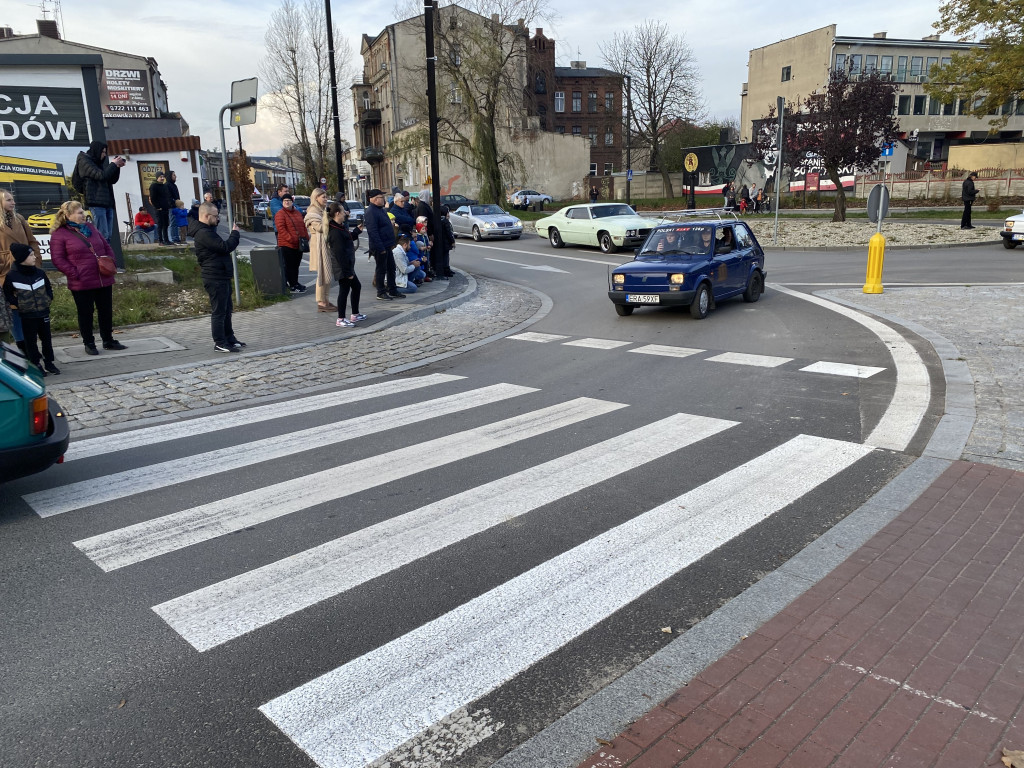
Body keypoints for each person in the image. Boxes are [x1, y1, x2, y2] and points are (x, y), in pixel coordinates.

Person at [49, 201, 127, 355]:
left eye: (82, 212)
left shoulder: (91, 228)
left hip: (103, 277)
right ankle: (89, 343)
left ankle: (108, 340)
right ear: (67, 215)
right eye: (79, 213)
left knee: (106, 310)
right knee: (85, 313)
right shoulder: (60, 234)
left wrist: (112, 261)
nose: (83, 215)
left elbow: (106, 246)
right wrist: (74, 273)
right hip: (81, 281)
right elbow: (58, 259)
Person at [189, 202, 244, 353]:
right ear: (206, 216)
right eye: (215, 216)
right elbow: (225, 247)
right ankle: (220, 342)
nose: (218, 219)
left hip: (221, 275)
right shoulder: (203, 233)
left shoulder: (208, 230)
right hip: (214, 277)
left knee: (226, 309)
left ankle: (229, 338)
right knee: (219, 311)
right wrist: (235, 234)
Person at [3, 243, 58, 375]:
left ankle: (49, 362)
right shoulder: (12, 276)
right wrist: (19, 303)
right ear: (22, 258)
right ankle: (36, 364)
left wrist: (48, 299)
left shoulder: (39, 272)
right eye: (31, 255)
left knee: (47, 339)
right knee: (30, 341)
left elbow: (48, 288)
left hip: (43, 312)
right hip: (27, 314)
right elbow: (8, 293)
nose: (35, 257)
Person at [0, 189, 42, 353]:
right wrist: (8, 259)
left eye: (13, 199)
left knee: (30, 309)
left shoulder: (20, 219)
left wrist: (35, 262)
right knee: (14, 311)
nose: (13, 202)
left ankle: (33, 347)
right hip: (6, 273)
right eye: (9, 200)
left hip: (27, 272)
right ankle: (22, 347)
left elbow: (32, 241)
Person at [74, 140, 125, 243]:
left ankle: (107, 258)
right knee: (102, 236)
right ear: (97, 151)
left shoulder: (97, 163)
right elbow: (101, 176)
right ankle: (100, 258)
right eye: (103, 152)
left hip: (107, 203)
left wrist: (117, 167)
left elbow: (111, 180)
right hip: (96, 202)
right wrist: (113, 164)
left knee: (108, 236)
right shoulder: (84, 160)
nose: (104, 155)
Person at [326, 202, 365, 328]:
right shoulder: (335, 231)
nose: (345, 213)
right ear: (337, 213)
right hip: (342, 266)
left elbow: (347, 239)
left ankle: (355, 314)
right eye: (343, 211)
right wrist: (348, 272)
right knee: (344, 291)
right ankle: (341, 318)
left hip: (347, 265)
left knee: (357, 287)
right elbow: (339, 253)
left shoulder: (340, 227)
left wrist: (356, 232)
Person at [364, 188, 402, 301]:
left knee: (391, 268)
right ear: (375, 199)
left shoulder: (381, 210)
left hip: (388, 244)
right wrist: (380, 248)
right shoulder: (371, 212)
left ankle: (392, 289)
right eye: (381, 197)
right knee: (381, 269)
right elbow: (373, 232)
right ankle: (380, 292)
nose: (383, 199)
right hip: (380, 246)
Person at [304, 188, 335, 311]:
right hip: (319, 245)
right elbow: (321, 228)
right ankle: (321, 302)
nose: (326, 199)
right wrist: (329, 218)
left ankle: (326, 300)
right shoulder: (312, 211)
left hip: (324, 244)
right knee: (322, 274)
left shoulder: (322, 210)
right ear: (316, 198)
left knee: (327, 274)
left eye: (326, 197)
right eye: (323, 197)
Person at [274, 194, 309, 292]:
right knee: (289, 265)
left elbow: (302, 226)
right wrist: (291, 238)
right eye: (285, 200)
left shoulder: (297, 213)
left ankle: (295, 282)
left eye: (288, 200)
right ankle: (292, 284)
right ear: (282, 202)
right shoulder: (280, 214)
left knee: (296, 265)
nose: (287, 202)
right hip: (287, 244)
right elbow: (281, 229)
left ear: (292, 201)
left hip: (298, 244)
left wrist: (306, 237)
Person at [149, 172, 173, 245]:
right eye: (160, 177)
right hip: (159, 209)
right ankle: (160, 240)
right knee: (160, 224)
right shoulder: (153, 186)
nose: (162, 178)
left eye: (163, 177)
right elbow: (153, 198)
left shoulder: (164, 186)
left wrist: (169, 204)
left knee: (166, 224)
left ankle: (166, 240)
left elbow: (167, 196)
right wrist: (157, 207)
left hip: (165, 208)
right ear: (157, 178)